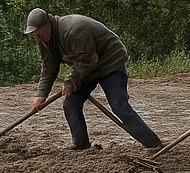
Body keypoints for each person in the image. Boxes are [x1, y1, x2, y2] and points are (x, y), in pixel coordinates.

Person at [24, 8, 162, 151]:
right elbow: (49, 67)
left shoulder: (73, 30)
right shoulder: (44, 40)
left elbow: (88, 60)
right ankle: (81, 145)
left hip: (109, 63)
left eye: (38, 34)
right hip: (87, 68)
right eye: (34, 36)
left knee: (119, 106)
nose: (37, 38)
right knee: (70, 104)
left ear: (47, 25)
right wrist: (40, 95)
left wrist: (72, 81)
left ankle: (152, 143)